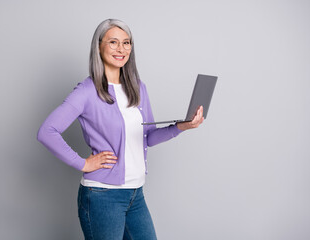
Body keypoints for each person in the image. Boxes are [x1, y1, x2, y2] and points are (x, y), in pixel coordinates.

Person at [37, 19, 204, 240]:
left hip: (136, 194)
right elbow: (47, 131)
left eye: (126, 43)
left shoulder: (137, 86)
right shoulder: (87, 91)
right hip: (102, 195)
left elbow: (148, 137)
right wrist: (83, 163)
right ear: (99, 46)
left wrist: (181, 127)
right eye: (113, 42)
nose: (121, 49)